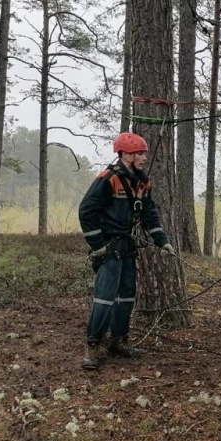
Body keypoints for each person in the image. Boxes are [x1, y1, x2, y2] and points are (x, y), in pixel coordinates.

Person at [78, 131, 175, 370]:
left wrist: (162, 240)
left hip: (128, 247)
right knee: (104, 298)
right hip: (110, 248)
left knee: (127, 296)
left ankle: (118, 341)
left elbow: (149, 213)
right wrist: (98, 246)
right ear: (127, 155)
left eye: (143, 153)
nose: (144, 157)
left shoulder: (142, 182)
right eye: (140, 153)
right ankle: (93, 347)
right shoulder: (107, 178)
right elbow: (86, 211)